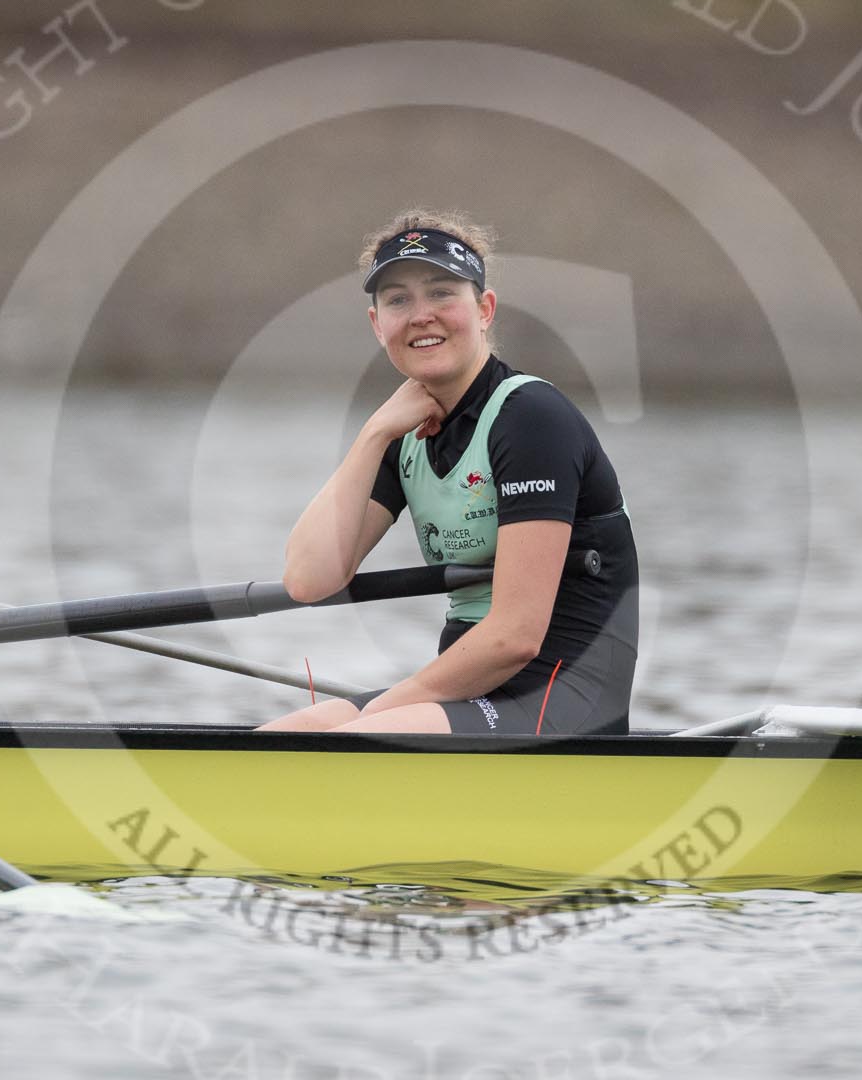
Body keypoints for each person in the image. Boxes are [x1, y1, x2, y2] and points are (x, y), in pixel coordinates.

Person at [259, 212, 638, 735]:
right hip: (474, 693)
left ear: (483, 310)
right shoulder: (403, 432)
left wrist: (379, 709)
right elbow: (309, 579)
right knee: (283, 736)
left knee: (356, 738)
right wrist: (374, 435)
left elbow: (515, 637)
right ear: (377, 325)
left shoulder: (531, 419)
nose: (421, 316)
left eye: (441, 293)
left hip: (565, 698)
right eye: (398, 300)